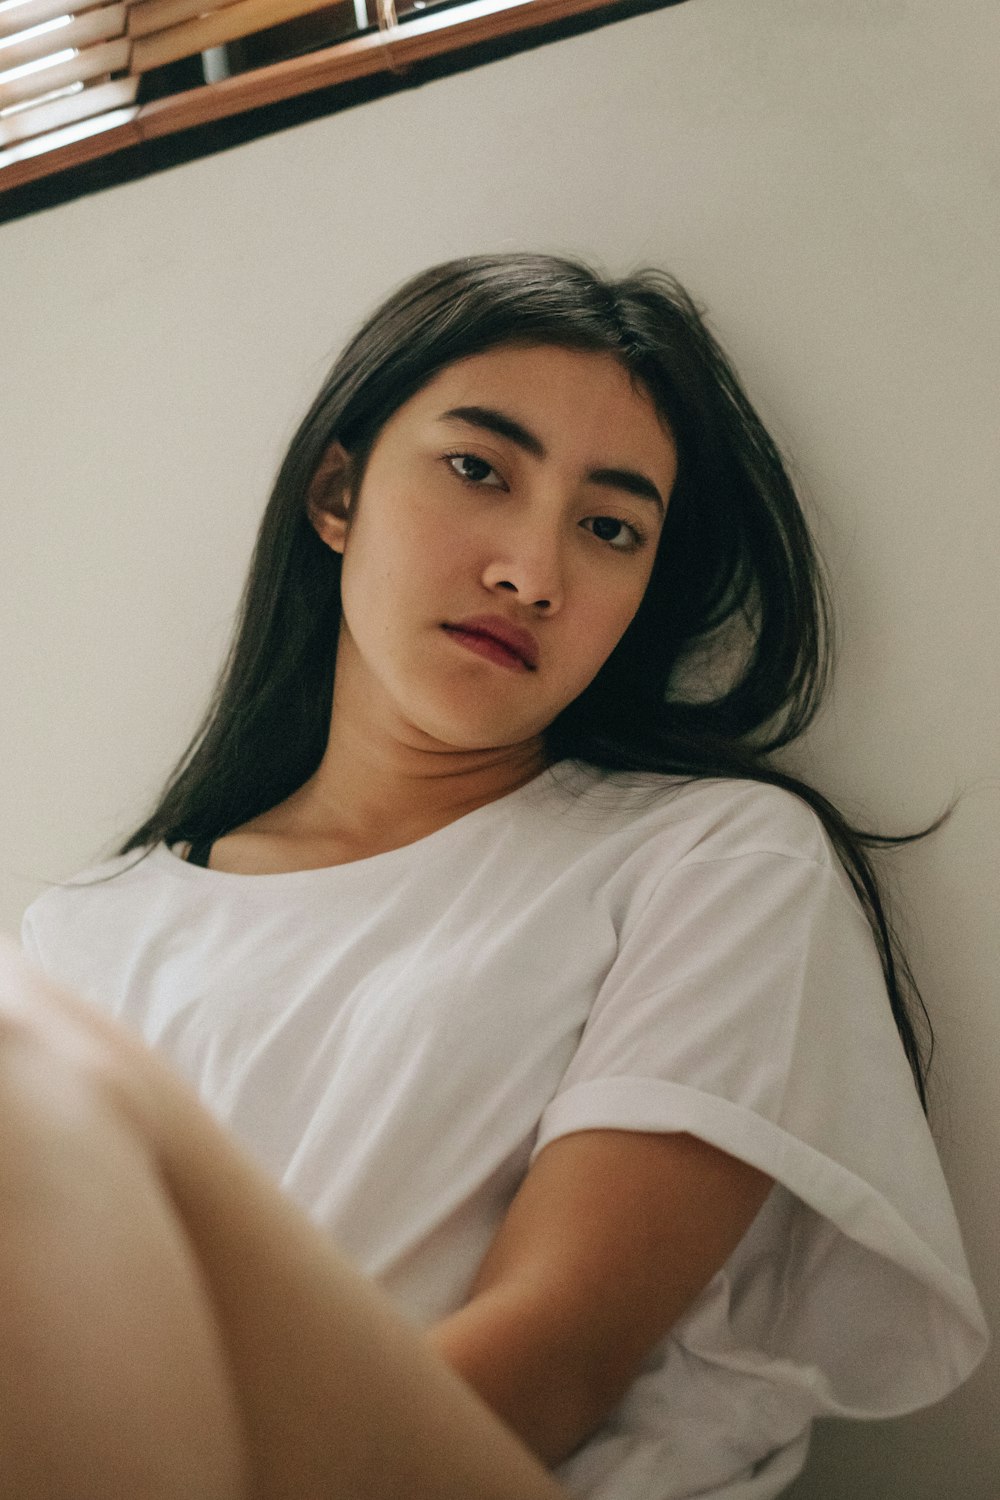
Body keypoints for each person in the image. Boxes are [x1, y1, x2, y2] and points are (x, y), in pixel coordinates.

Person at [7, 253, 988, 1500]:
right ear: (337, 490)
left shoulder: (710, 859)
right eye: (479, 469)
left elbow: (555, 1356)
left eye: (610, 527)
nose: (533, 572)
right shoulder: (90, 934)